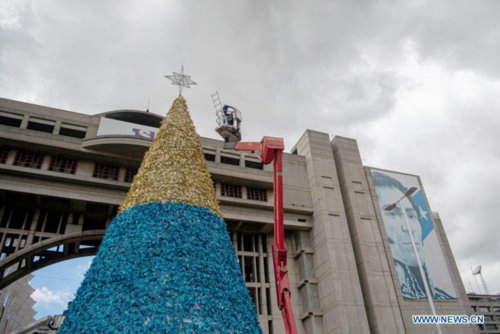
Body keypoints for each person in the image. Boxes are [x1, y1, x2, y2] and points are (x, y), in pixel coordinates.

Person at [371, 171, 454, 300]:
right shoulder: (384, 295)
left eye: (411, 216)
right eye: (392, 214)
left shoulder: (443, 297)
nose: (408, 228)